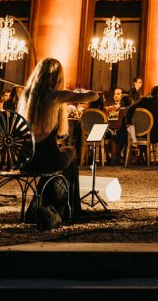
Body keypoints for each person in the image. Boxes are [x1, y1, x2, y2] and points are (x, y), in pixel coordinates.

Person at [16, 58, 98, 221]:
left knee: (60, 157)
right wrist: (80, 91)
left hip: (25, 160)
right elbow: (93, 96)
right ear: (56, 77)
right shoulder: (55, 96)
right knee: (71, 151)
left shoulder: (26, 95)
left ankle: (47, 201)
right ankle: (67, 207)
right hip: (47, 160)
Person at [125, 86, 158, 164]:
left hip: (145, 133)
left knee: (142, 130)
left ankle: (144, 156)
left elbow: (131, 108)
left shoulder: (144, 101)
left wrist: (129, 123)